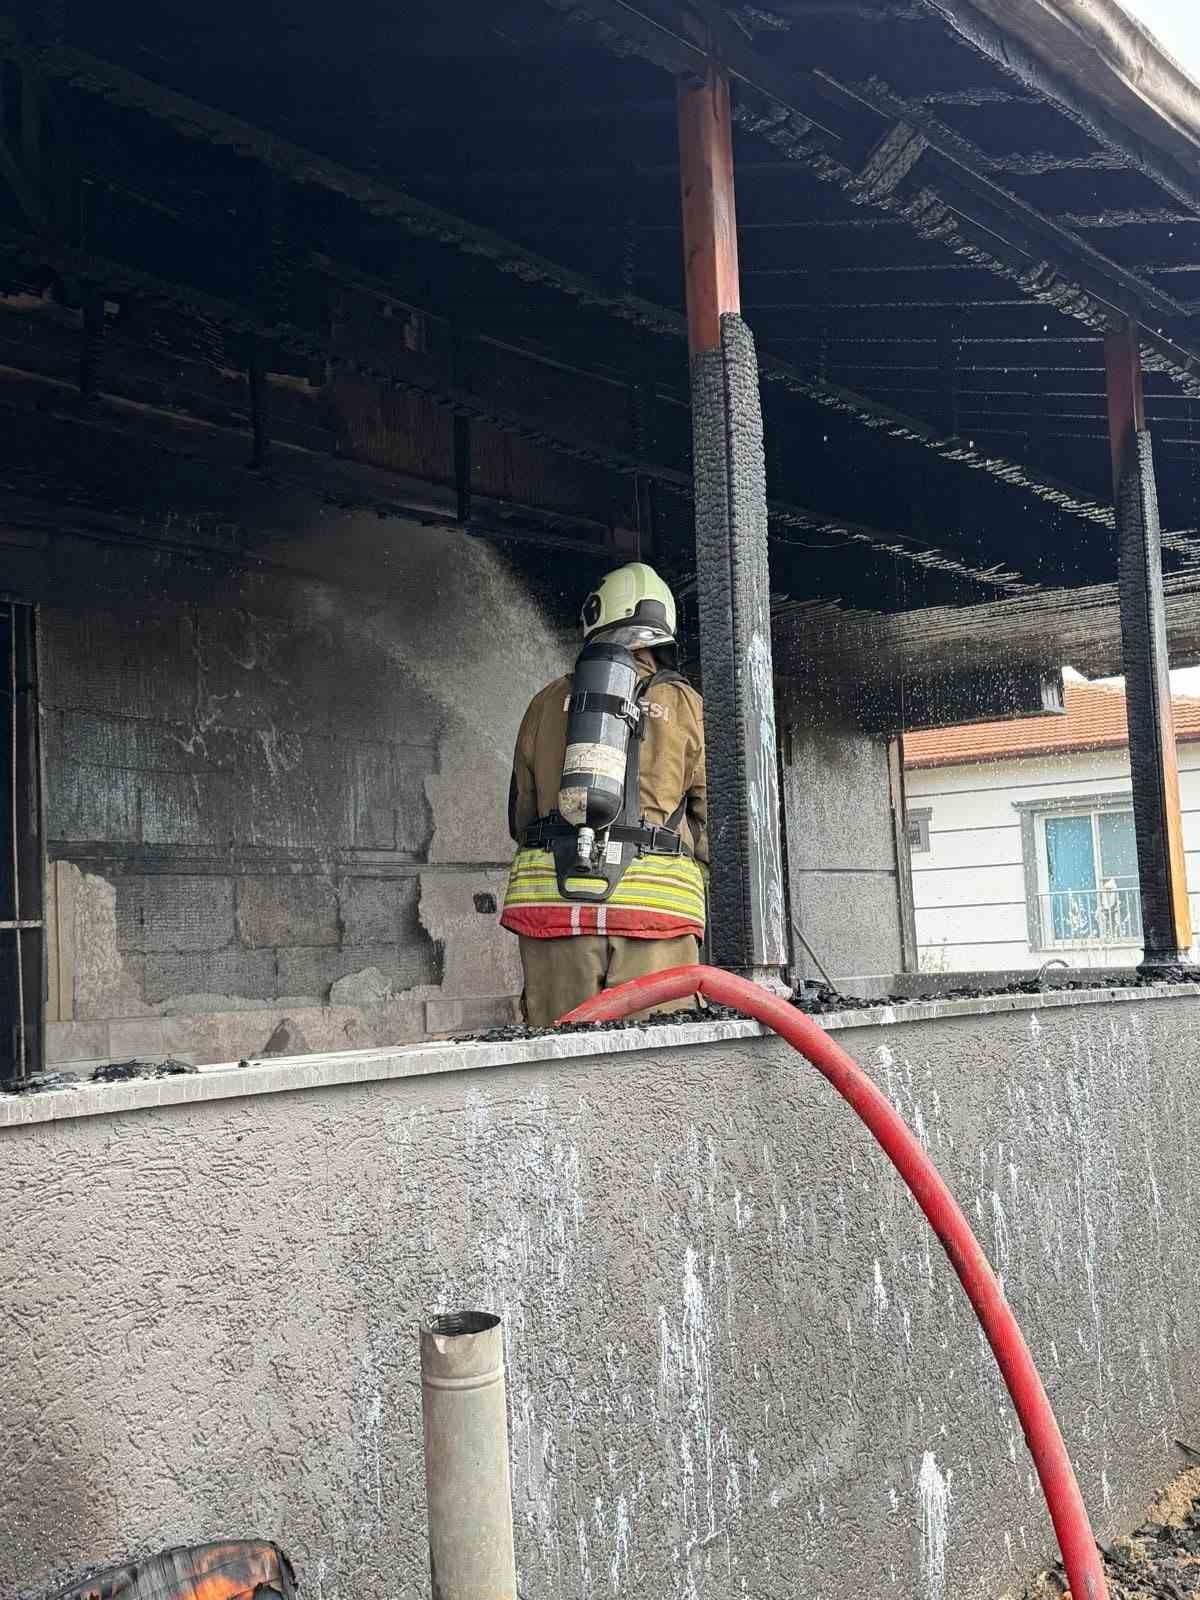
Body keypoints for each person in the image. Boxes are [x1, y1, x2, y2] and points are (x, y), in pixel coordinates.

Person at [500, 562, 707, 1026]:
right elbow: (716, 820)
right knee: (659, 1070)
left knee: (559, 1060)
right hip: (656, 916)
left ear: (597, 619)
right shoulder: (688, 707)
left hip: (555, 910)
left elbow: (522, 816)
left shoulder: (546, 701)